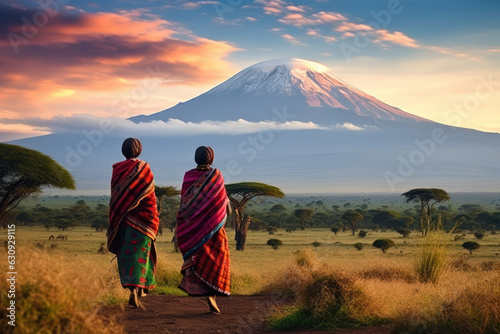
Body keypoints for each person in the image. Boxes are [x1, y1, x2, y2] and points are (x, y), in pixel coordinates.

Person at [176, 146, 231, 315]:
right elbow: (224, 204)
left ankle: (207, 294)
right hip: (214, 228)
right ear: (211, 159)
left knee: (198, 260)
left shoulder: (188, 176)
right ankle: (212, 295)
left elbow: (185, 205)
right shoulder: (216, 176)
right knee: (217, 260)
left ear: (195, 158)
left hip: (193, 229)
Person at [107, 138, 159, 308]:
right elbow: (149, 194)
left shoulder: (117, 169)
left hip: (123, 220)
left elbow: (116, 197)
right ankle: (140, 289)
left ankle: (132, 290)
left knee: (127, 255)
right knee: (142, 254)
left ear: (124, 151)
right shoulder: (144, 168)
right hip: (144, 220)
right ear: (139, 150)